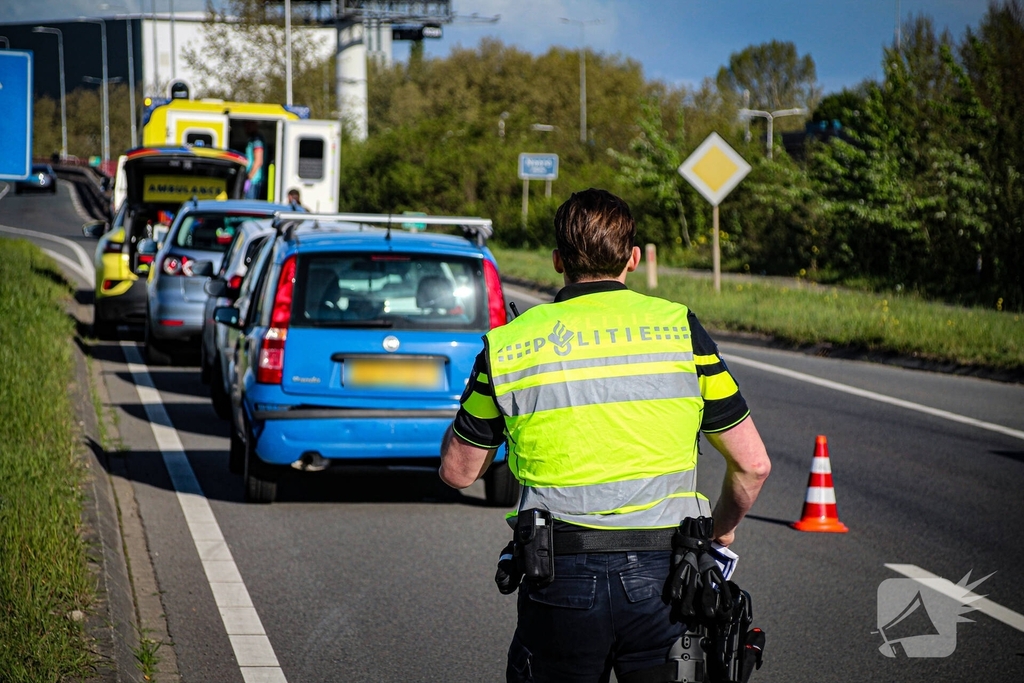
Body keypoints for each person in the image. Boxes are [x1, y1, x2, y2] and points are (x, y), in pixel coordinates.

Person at [439, 188, 771, 683]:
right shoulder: (680, 329)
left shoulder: (509, 345)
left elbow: (459, 472)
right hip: (670, 579)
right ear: (633, 259)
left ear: (557, 261)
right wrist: (720, 531)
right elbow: (753, 465)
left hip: (559, 577)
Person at [243, 121, 265, 200]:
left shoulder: (257, 140)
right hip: (253, 180)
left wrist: (249, 177)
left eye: (249, 125)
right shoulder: (252, 139)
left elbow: (259, 161)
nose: (246, 128)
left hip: (254, 180)